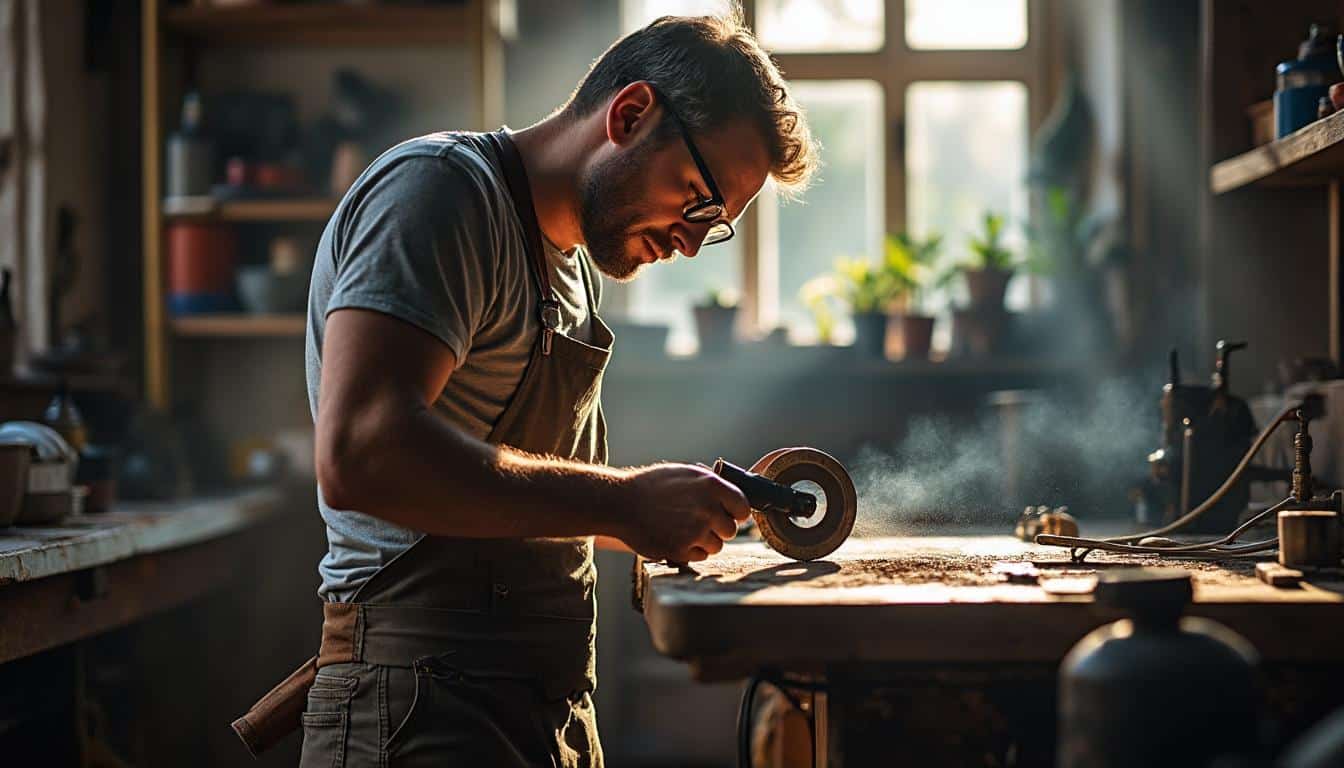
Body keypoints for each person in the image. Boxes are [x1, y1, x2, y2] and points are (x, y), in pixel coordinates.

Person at [300, 11, 819, 767]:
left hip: (543, 708)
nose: (689, 241)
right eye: (697, 199)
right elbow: (362, 453)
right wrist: (626, 502)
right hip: (421, 709)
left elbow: (525, 502)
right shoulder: (440, 196)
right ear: (631, 114)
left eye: (717, 227)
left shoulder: (569, 267)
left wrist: (671, 515)